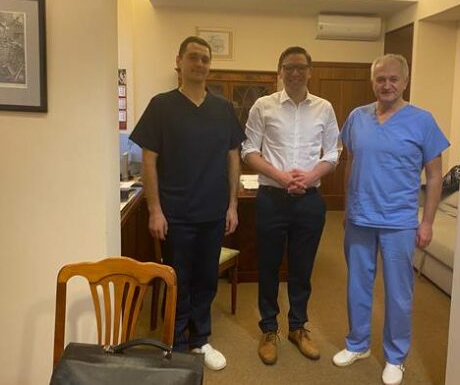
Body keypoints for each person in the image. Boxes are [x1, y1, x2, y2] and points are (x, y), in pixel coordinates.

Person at [332, 54, 449, 385]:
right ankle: (357, 344)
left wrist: (427, 222)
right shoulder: (357, 117)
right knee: (357, 285)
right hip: (360, 217)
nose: (386, 85)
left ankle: (396, 357)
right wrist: (347, 207)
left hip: (399, 220)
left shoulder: (422, 121)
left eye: (393, 79)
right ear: (373, 82)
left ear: (405, 82)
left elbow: (435, 176)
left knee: (399, 293)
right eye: (380, 79)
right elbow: (350, 163)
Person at [130, 36, 245, 371]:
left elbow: (233, 157)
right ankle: (177, 344)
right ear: (178, 62)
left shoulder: (223, 109)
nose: (199, 64)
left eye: (205, 59)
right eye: (193, 57)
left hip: (213, 212)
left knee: (206, 280)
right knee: (178, 280)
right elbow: (149, 160)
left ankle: (200, 340)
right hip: (176, 214)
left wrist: (233, 206)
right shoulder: (161, 106)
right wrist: (155, 210)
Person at [242, 46, 340, 365]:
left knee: (302, 268)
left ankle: (298, 327)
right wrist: (281, 177)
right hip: (272, 198)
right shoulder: (263, 106)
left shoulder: (324, 108)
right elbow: (249, 150)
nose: (295, 72)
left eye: (301, 67)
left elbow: (333, 153)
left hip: (309, 201)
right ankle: (269, 330)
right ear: (280, 71)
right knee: (268, 266)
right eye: (289, 67)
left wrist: (309, 177)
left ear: (310, 71)